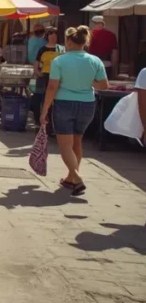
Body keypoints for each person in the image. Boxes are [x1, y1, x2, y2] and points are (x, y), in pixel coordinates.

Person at [40, 26, 109, 197]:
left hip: (64, 104)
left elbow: (52, 87)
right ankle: (70, 178)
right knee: (77, 142)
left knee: (65, 145)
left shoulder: (59, 61)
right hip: (87, 105)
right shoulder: (95, 61)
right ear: (85, 42)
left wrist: (45, 109)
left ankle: (77, 178)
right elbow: (104, 85)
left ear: (68, 42)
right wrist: (88, 82)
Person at [31, 27, 64, 128]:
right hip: (44, 77)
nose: (53, 37)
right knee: (39, 100)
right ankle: (39, 121)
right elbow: (36, 64)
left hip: (57, 78)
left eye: (55, 35)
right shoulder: (42, 49)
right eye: (51, 35)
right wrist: (38, 72)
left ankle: (52, 124)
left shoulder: (61, 49)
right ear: (47, 36)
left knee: (55, 101)